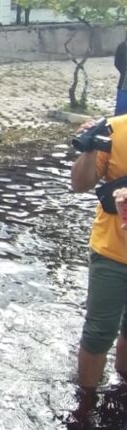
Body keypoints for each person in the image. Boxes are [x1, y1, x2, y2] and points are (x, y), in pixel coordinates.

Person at [70, 114, 127, 390]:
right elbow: (80, 184)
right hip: (112, 253)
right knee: (97, 334)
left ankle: (122, 386)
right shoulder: (114, 130)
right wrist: (91, 149)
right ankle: (85, 405)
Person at [115, 36, 127, 116]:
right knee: (120, 112)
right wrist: (124, 72)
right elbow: (117, 63)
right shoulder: (122, 47)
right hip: (124, 85)